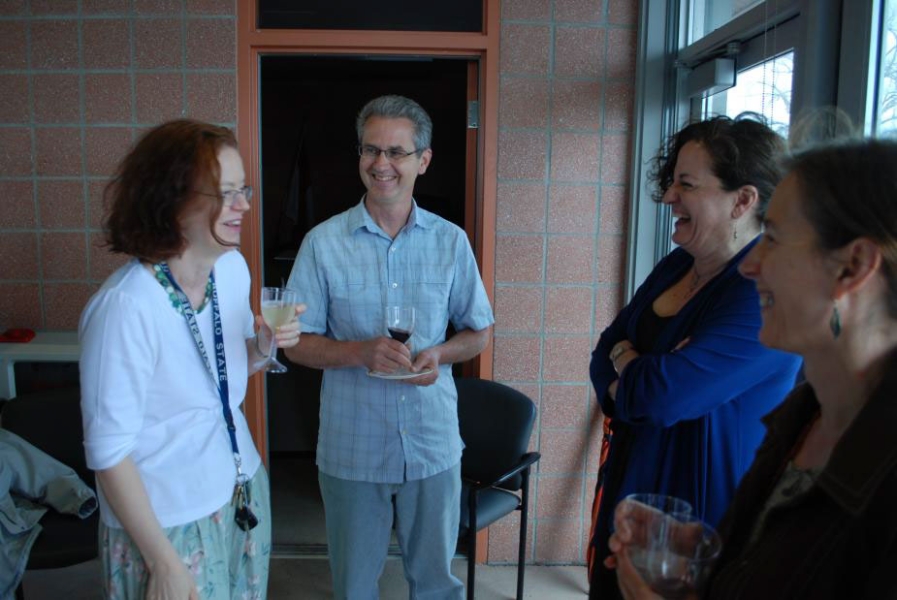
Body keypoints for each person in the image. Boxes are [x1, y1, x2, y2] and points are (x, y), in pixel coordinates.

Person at [608, 138, 897, 599]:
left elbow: (662, 394)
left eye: (776, 238)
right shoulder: (802, 415)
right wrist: (713, 553)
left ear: (853, 267)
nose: (750, 265)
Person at [79, 119, 303, 599]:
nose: (243, 204)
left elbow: (222, 373)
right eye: (225, 192)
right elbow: (108, 452)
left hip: (237, 485)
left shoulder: (231, 269)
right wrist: (163, 561)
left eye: (243, 188)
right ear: (172, 199)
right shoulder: (127, 307)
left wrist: (264, 347)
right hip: (167, 521)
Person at [284, 94, 494, 599]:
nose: (382, 164)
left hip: (431, 442)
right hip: (353, 447)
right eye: (371, 150)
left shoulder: (451, 241)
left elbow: (479, 331)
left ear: (423, 160)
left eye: (397, 152)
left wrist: (439, 355)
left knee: (437, 585)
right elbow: (295, 345)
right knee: (355, 587)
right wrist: (359, 352)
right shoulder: (321, 243)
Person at [587, 114, 803, 599]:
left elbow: (664, 397)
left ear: (743, 201)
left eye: (686, 184)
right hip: (631, 493)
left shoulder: (763, 295)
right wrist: (633, 363)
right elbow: (604, 350)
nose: (667, 198)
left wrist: (634, 368)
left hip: (697, 524)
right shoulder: (677, 264)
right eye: (672, 182)